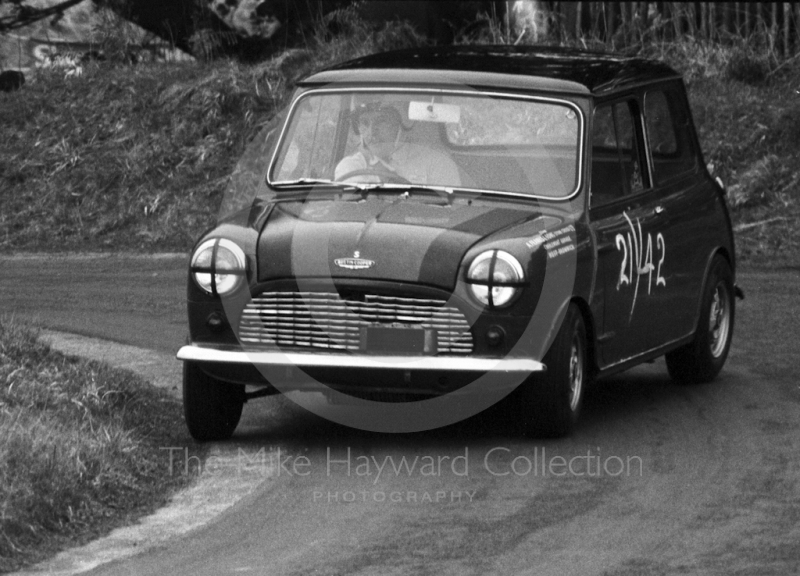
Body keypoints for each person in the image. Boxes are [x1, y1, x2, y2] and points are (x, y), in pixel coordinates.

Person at [334, 103, 461, 187]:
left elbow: (453, 215)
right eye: (364, 123)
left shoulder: (437, 163)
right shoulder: (351, 167)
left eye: (381, 121)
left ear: (400, 125)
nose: (371, 132)